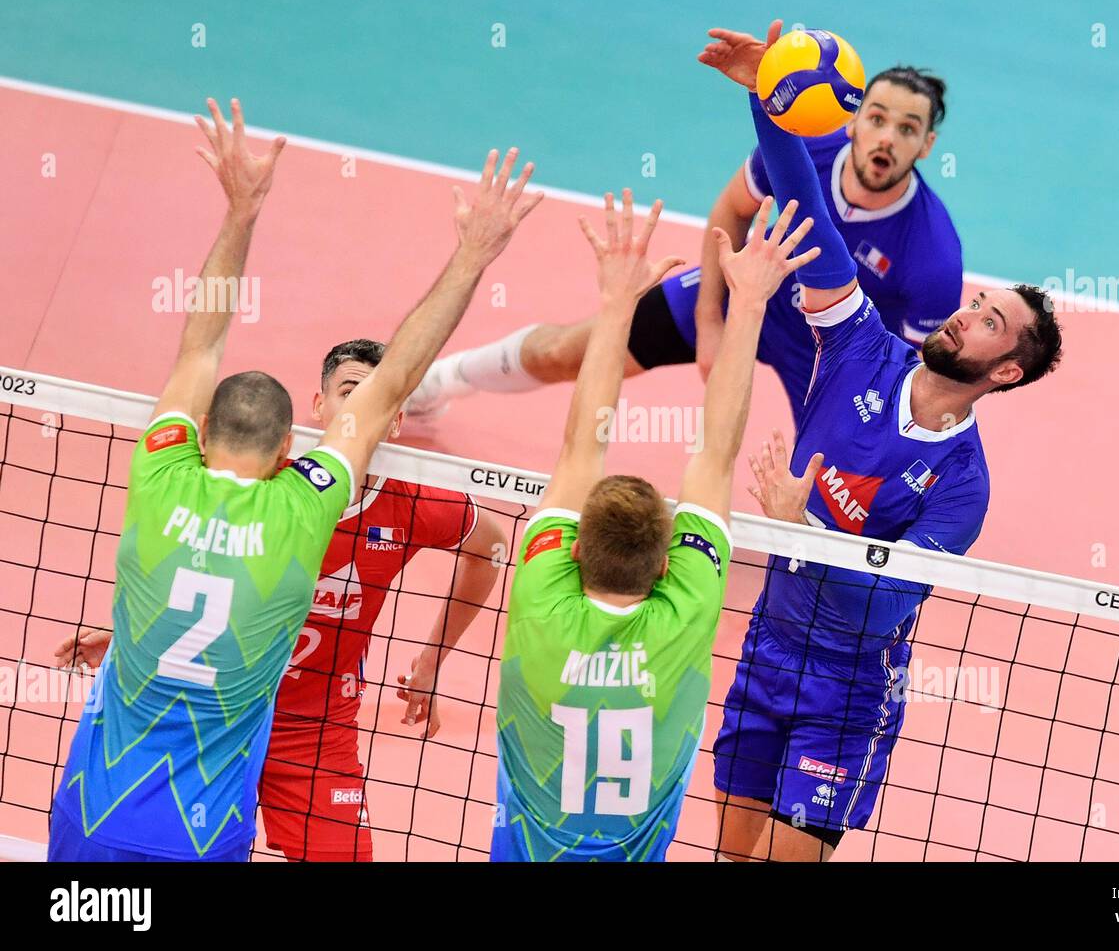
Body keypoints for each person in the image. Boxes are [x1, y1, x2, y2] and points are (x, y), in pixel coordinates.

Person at [47, 97, 541, 861]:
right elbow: (394, 378)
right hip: (206, 804)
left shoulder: (161, 473)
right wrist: (475, 255)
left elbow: (198, 346)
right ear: (300, 428)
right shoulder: (308, 500)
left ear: (199, 433)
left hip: (114, 794)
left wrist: (241, 211)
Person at [697, 25, 1063, 862]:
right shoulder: (860, 342)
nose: (968, 312)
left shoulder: (962, 486)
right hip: (768, 646)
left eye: (991, 324)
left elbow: (883, 606)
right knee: (728, 853)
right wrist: (768, 100)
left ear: (1002, 373)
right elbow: (803, 211)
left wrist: (804, 530)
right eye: (978, 302)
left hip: (849, 686)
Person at [60, 338, 509, 862]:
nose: (359, 406)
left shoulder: (415, 503)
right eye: (348, 392)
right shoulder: (271, 486)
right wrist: (134, 638)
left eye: (375, 396)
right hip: (217, 716)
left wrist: (433, 659)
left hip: (316, 730)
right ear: (319, 406)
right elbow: (197, 565)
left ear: (395, 419)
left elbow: (492, 550)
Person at [406, 22, 959, 429]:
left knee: (822, 484)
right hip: (750, 295)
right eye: (878, 118)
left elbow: (914, 375)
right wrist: (712, 322)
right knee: (571, 351)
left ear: (927, 145)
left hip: (831, 355)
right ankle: (438, 381)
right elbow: (729, 213)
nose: (887, 137)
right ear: (854, 114)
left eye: (907, 128)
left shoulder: (932, 255)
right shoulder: (801, 148)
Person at [491, 190, 819, 861]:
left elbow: (582, 444)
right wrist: (749, 305)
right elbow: (717, 453)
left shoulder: (540, 599)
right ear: (667, 564)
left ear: (573, 550)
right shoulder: (685, 611)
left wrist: (617, 308)